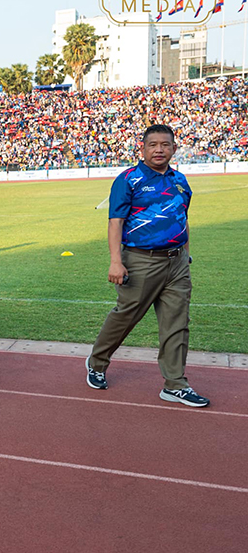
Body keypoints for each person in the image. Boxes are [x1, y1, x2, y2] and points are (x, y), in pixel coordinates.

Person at [86, 125, 209, 407]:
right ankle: (97, 362)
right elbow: (115, 221)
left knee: (177, 323)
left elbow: (182, 217)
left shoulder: (180, 181)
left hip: (176, 263)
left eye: (165, 145)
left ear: (174, 149)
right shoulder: (129, 180)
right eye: (152, 144)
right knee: (126, 316)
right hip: (140, 261)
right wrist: (116, 261)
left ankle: (175, 384)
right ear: (142, 149)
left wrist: (186, 254)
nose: (159, 150)